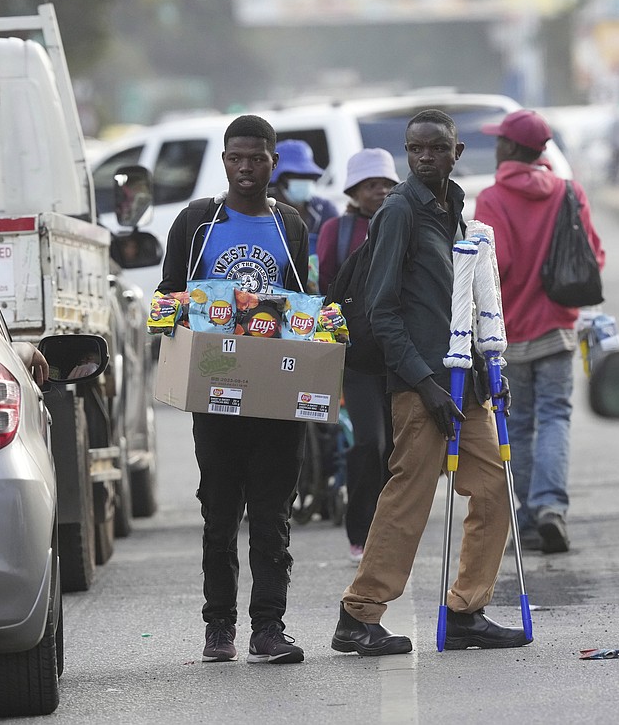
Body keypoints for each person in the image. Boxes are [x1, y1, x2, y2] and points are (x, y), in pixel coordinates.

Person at [332, 109, 529, 656]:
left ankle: (467, 610)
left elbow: (470, 299)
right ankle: (358, 615)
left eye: (436, 149)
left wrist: (491, 373)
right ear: (406, 153)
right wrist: (424, 383)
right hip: (421, 388)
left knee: (494, 490)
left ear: (456, 152)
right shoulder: (398, 211)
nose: (424, 158)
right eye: (415, 149)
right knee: (408, 499)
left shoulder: (456, 209)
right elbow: (382, 310)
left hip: (466, 382)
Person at [156, 114, 310, 665]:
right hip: (216, 400)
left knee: (272, 517)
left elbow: (302, 312)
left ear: (273, 162)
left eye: (257, 158)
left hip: (274, 401)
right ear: (225, 162)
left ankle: (268, 629)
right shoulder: (197, 222)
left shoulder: (291, 225)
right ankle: (217, 627)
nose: (246, 168)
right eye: (235, 158)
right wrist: (192, 322)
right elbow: (166, 302)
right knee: (219, 515)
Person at [475, 109, 605, 555]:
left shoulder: (492, 199)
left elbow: (497, 265)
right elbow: (594, 256)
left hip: (510, 334)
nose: (495, 148)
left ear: (511, 147)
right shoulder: (569, 191)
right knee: (555, 418)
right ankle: (551, 507)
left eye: (499, 141)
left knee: (520, 424)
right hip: (557, 329)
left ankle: (531, 517)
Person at [317, 148, 400, 564]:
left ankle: (389, 532)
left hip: (401, 356)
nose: (381, 191)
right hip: (358, 358)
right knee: (369, 441)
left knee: (398, 449)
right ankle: (360, 530)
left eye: (386, 184)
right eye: (372, 185)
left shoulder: (405, 222)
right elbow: (326, 287)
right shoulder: (339, 229)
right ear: (355, 190)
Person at [268, 138, 340, 260]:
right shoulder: (262, 211)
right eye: (297, 176)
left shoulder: (325, 210)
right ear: (280, 180)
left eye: (308, 176)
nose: (305, 181)